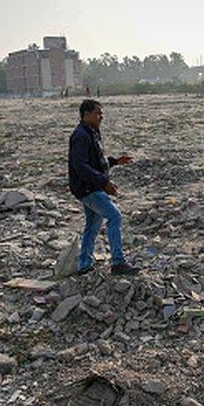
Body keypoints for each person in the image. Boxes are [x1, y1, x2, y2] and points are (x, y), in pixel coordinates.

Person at [68, 99, 139, 276]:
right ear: (86, 115)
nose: (101, 116)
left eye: (101, 113)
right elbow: (81, 166)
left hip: (90, 186)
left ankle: (84, 265)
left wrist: (114, 161)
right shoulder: (81, 136)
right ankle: (118, 262)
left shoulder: (92, 132)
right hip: (88, 188)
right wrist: (104, 183)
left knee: (92, 225)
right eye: (97, 113)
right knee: (114, 216)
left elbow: (94, 162)